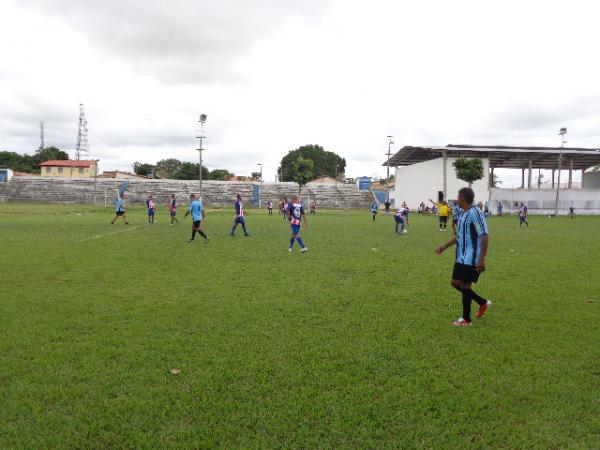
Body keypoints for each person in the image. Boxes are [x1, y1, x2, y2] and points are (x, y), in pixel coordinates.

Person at [435, 187, 491, 326]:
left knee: (465, 285)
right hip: (461, 257)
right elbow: (459, 236)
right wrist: (444, 246)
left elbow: (484, 235)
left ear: (463, 199)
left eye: (458, 197)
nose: (456, 199)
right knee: (455, 283)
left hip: (472, 258)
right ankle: (482, 302)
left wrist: (481, 259)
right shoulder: (463, 214)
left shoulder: (475, 212)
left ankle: (466, 319)